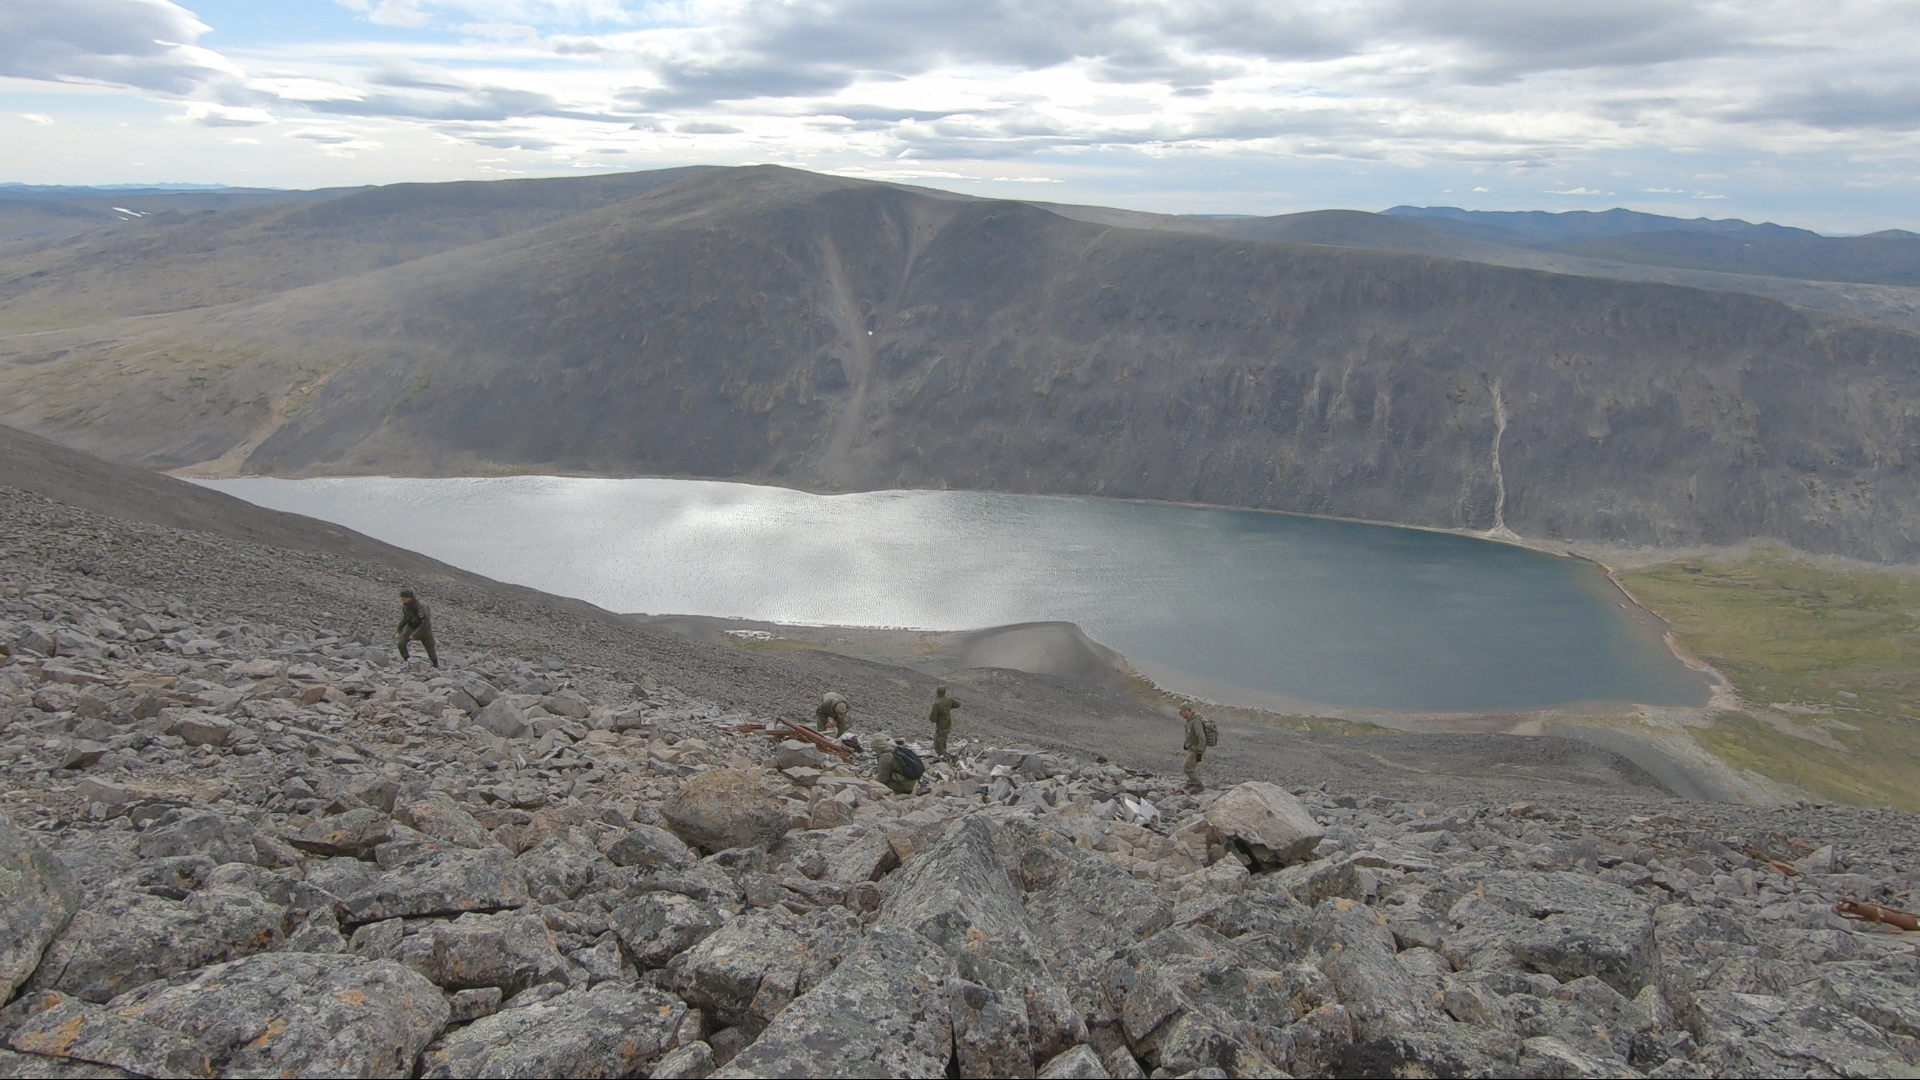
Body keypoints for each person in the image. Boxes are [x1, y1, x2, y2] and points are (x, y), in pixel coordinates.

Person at [396, 587, 439, 668]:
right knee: (401, 643)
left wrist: (415, 635)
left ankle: (435, 665)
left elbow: (425, 622)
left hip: (424, 629)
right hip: (411, 627)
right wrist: (399, 627)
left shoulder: (421, 606)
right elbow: (406, 617)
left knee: (430, 647)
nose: (402, 600)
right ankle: (407, 660)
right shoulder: (405, 606)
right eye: (402, 598)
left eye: (404, 598)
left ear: (410, 598)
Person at [928, 685, 960, 759]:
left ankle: (946, 758)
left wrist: (932, 719)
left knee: (938, 745)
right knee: (944, 740)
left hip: (941, 726)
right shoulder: (949, 700)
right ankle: (945, 754)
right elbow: (958, 704)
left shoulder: (937, 703)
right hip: (948, 723)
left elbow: (933, 718)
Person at [1181, 706, 1208, 792]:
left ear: (1186, 711)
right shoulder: (1189, 721)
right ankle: (1191, 782)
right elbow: (1190, 734)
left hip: (1197, 749)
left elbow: (1202, 737)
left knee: (1187, 767)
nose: (1180, 714)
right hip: (1191, 747)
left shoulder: (1196, 721)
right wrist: (1186, 743)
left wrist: (1200, 751)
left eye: (1181, 712)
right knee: (1188, 765)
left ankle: (1199, 785)